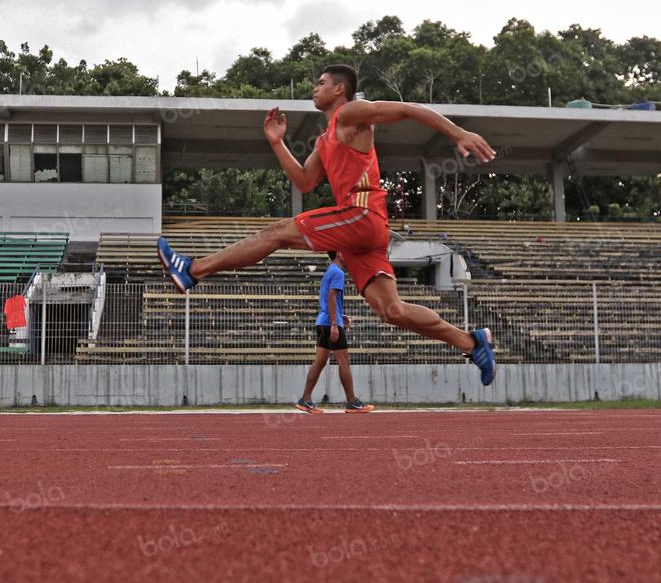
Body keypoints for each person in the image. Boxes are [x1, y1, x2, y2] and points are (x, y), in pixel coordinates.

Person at [158, 65, 498, 386]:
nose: (314, 87)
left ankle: (194, 270)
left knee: (275, 233)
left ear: (339, 89)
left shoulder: (350, 113)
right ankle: (470, 341)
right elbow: (305, 181)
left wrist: (458, 132)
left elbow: (408, 109)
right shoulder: (325, 139)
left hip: (361, 213)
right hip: (364, 233)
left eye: (321, 83)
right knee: (391, 310)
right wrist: (277, 143)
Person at [297, 252, 373, 414]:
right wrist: (334, 323)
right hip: (330, 323)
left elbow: (328, 299)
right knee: (344, 360)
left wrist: (340, 315)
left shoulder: (330, 270)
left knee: (319, 362)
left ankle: (305, 400)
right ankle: (352, 402)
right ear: (339, 253)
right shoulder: (338, 272)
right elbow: (331, 297)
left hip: (322, 321)